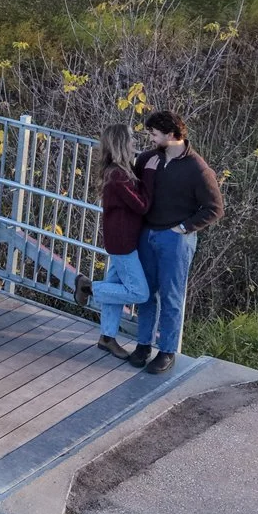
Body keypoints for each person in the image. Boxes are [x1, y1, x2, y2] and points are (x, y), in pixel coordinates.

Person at [130, 110, 222, 375]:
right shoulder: (148, 159)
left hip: (176, 240)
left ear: (171, 135)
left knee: (171, 296)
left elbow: (215, 208)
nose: (150, 138)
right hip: (147, 234)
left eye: (154, 134)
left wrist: (183, 228)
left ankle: (167, 351)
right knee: (146, 293)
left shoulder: (197, 168)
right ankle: (143, 345)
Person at [76, 122, 151, 360]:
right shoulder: (118, 176)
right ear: (121, 143)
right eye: (130, 139)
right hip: (123, 242)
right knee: (139, 293)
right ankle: (88, 287)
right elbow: (142, 205)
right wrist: (151, 179)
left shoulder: (119, 170)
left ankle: (107, 337)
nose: (134, 143)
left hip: (121, 238)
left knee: (116, 288)